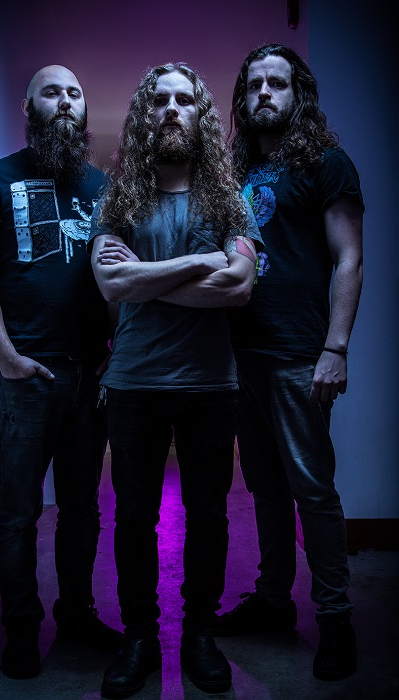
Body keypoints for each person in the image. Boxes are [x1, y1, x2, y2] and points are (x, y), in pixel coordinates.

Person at [88, 62, 263, 699]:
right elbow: (111, 283)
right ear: (144, 114)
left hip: (210, 385)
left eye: (183, 100)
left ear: (199, 114)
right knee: (133, 518)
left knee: (209, 516)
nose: (170, 109)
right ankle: (139, 637)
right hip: (134, 383)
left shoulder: (227, 199)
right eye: (158, 99)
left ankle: (199, 634)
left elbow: (239, 286)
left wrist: (148, 277)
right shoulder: (119, 198)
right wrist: (201, 262)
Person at [0, 65, 124, 680]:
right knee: (17, 512)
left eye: (74, 93)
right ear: (28, 108)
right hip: (23, 376)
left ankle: (76, 616)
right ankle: (22, 632)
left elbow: (122, 277)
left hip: (90, 375)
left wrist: (117, 351)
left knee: (83, 509)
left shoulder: (106, 189)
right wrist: (5, 357)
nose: (65, 101)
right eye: (51, 92)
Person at [214, 44, 364, 682]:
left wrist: (336, 348)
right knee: (264, 487)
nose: (265, 94)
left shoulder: (327, 164)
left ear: (297, 94)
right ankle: (274, 600)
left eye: (277, 83)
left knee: (312, 490)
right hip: (240, 357)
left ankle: (335, 620)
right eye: (255, 85)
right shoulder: (235, 170)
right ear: (243, 98)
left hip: (299, 355)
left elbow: (349, 258)